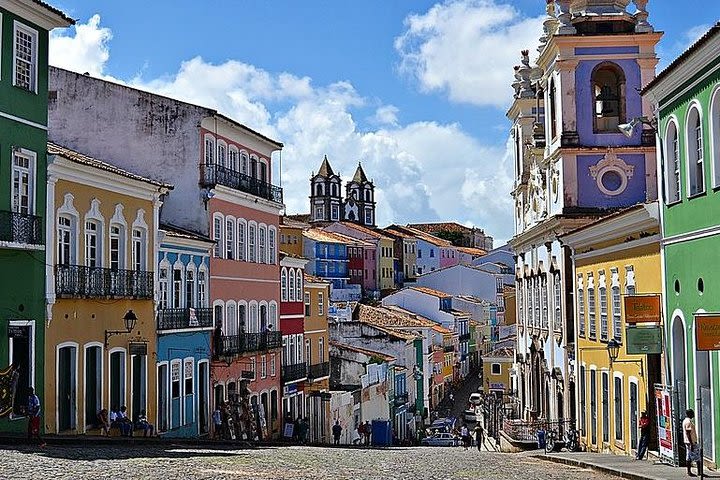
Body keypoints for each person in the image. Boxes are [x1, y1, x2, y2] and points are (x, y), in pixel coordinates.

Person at [683, 409, 700, 477]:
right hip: (691, 442)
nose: (693, 414)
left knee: (689, 457)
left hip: (689, 442)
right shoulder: (688, 422)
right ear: (689, 414)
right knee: (697, 457)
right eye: (692, 413)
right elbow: (688, 433)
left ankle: (689, 471)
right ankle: (698, 472)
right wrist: (692, 444)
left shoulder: (686, 421)